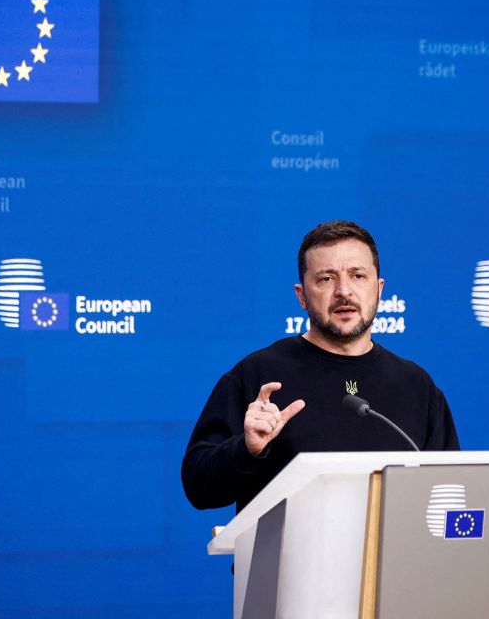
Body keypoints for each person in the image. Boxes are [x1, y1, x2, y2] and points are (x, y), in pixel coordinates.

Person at [181, 220, 460, 513]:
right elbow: (199, 488)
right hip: (286, 559)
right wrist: (247, 449)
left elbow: (450, 493)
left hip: (393, 559)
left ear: (379, 289)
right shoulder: (258, 376)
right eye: (326, 279)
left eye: (358, 276)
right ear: (302, 296)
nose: (344, 291)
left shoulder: (416, 386)